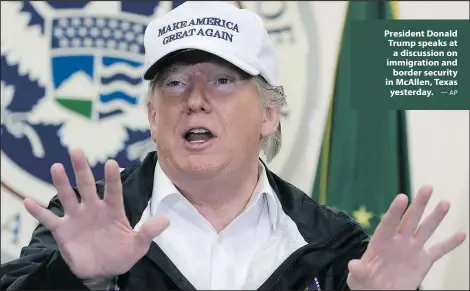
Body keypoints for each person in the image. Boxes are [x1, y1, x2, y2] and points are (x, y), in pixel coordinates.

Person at [1, 2, 466, 290]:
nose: (196, 100)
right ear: (152, 115)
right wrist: (76, 278)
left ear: (269, 114)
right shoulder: (85, 216)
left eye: (223, 81)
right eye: (176, 82)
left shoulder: (334, 244)